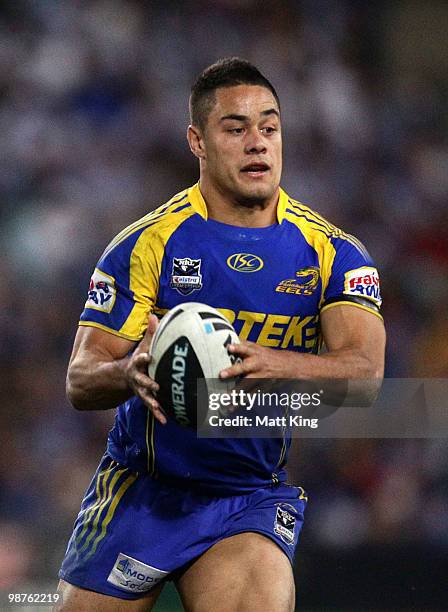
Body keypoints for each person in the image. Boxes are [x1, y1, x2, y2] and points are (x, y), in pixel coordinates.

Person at [56, 58, 386, 612]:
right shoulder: (147, 244)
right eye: (236, 128)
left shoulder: (332, 252)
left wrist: (275, 363)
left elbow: (366, 376)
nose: (257, 143)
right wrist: (127, 372)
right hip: (142, 487)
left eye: (269, 127)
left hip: (247, 497)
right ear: (198, 141)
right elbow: (80, 380)